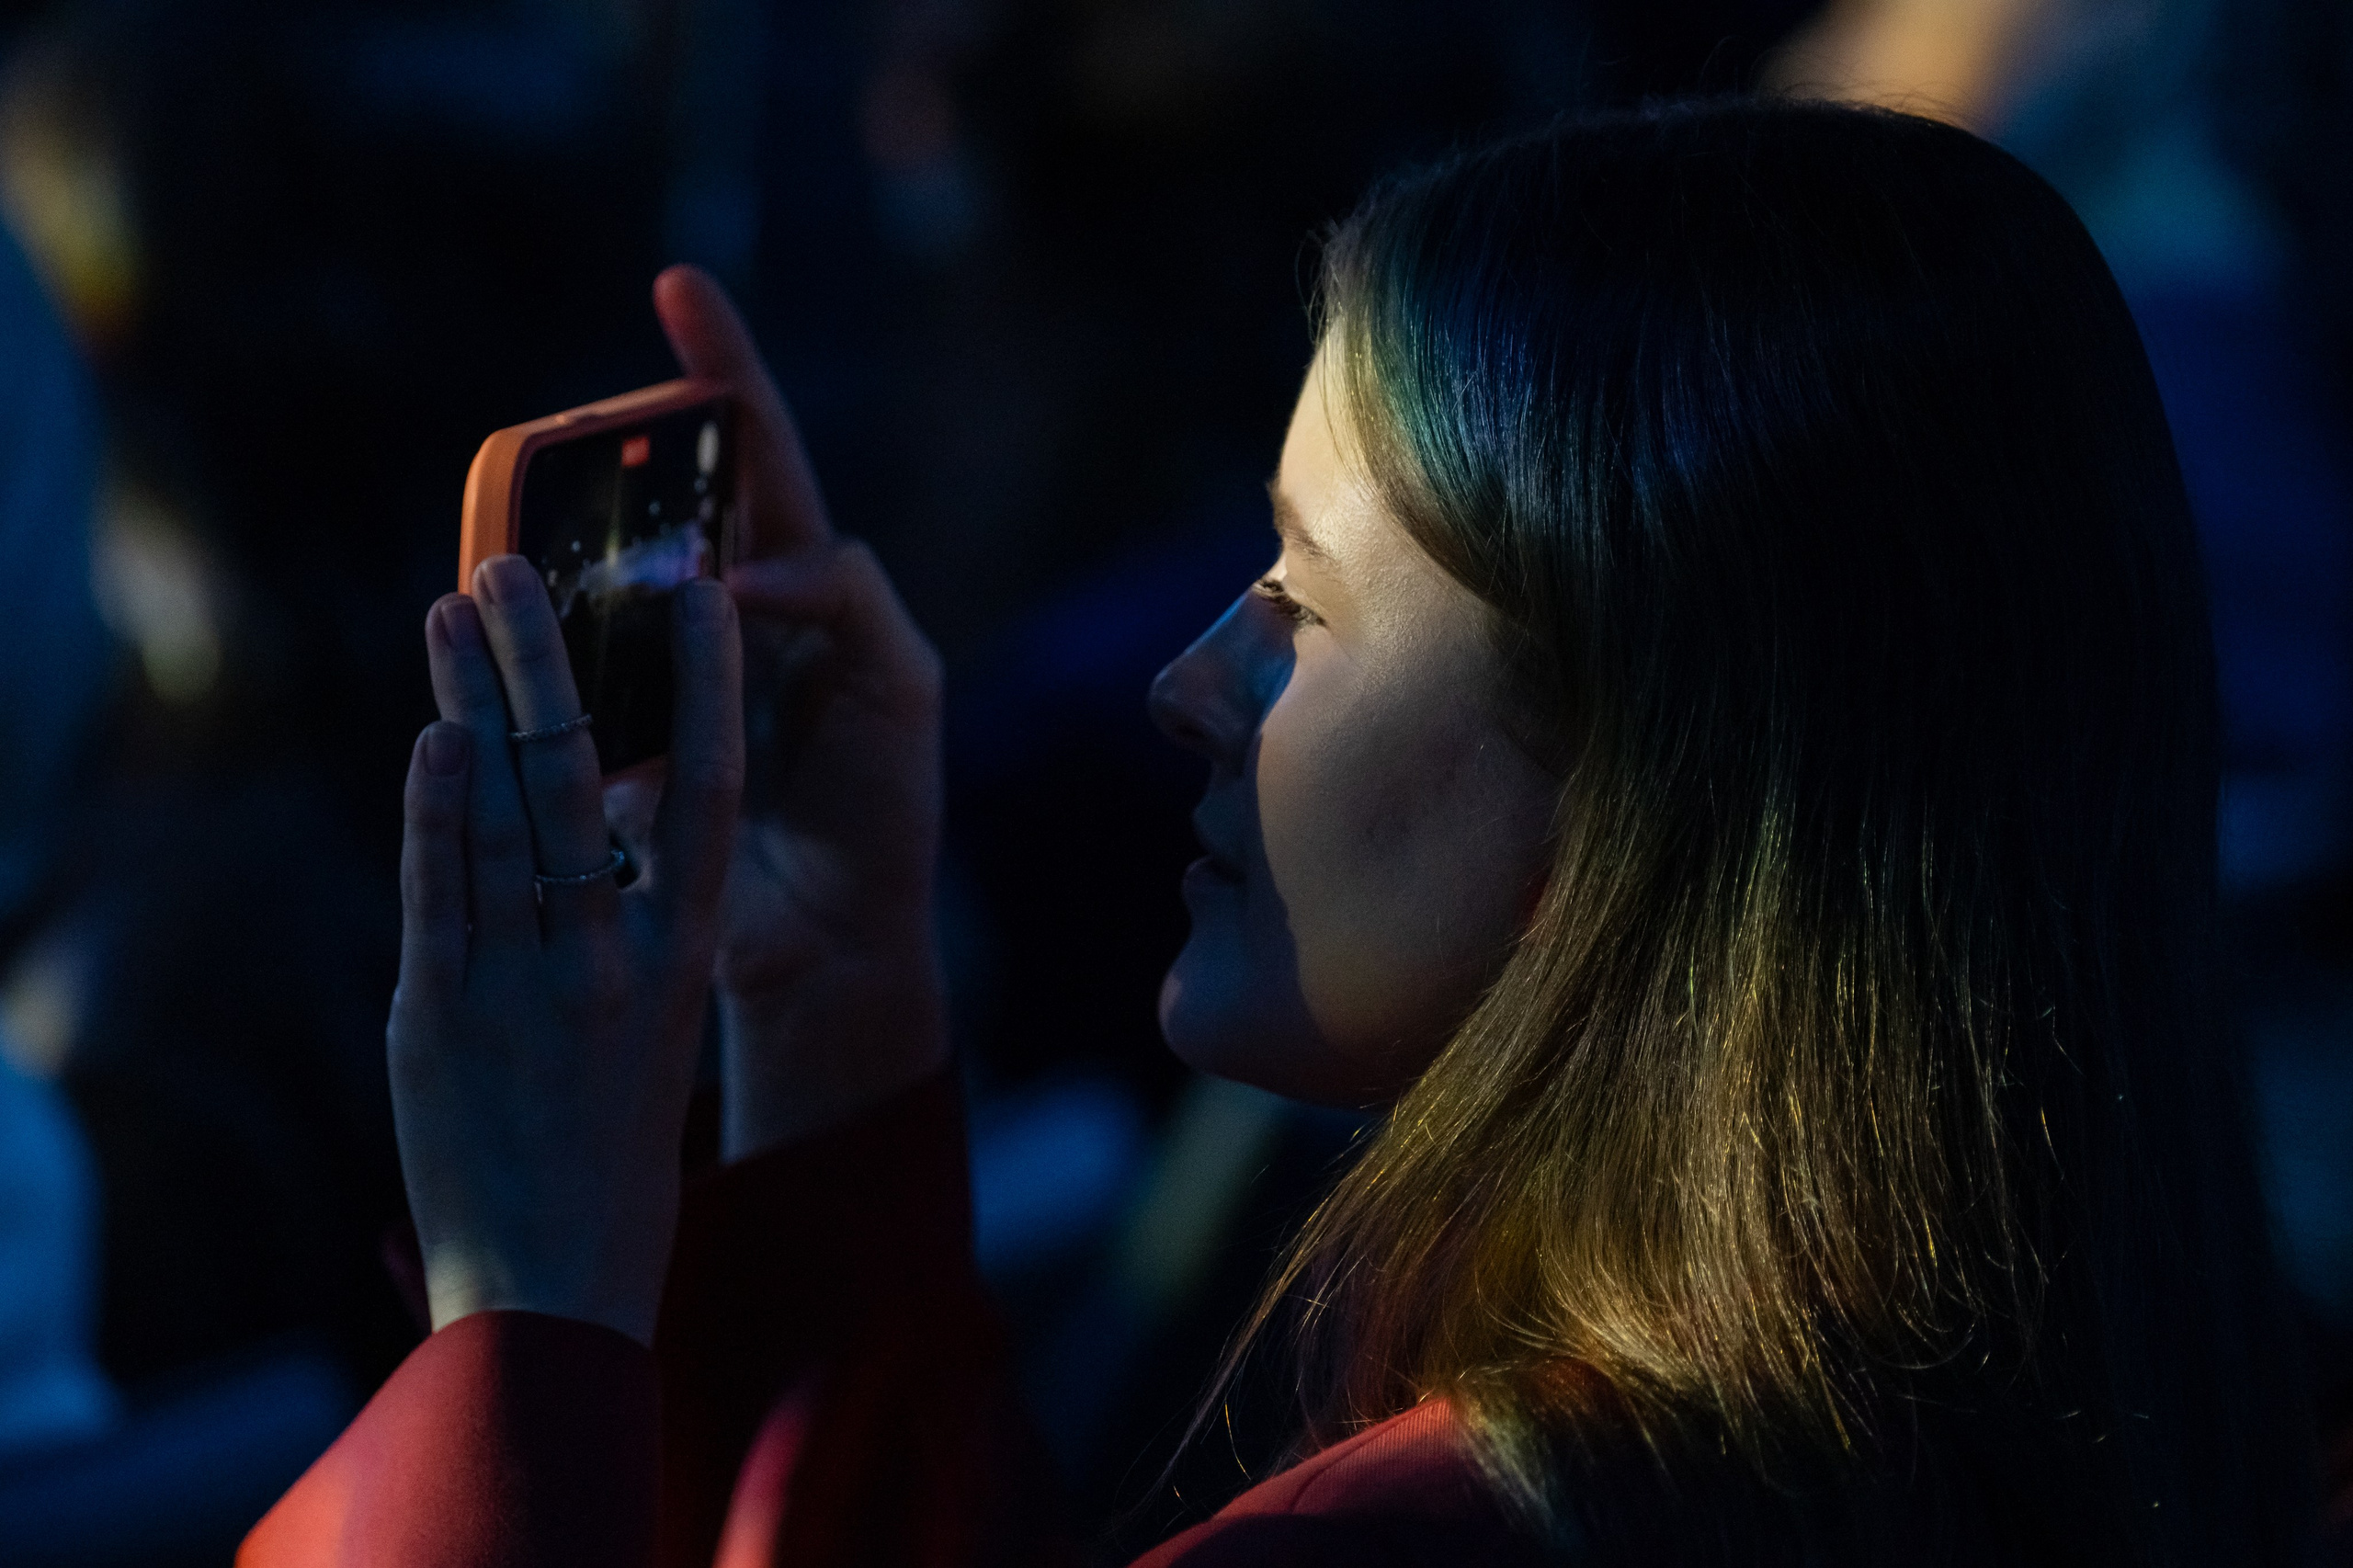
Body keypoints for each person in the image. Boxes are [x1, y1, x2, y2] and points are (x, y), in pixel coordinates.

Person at [239, 98, 2312, 1565]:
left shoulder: (1435, 1531)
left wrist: (533, 1304)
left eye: (1302, 599)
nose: (1187, 681)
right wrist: (839, 1002)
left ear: (1639, 789)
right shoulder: (2043, 1426)